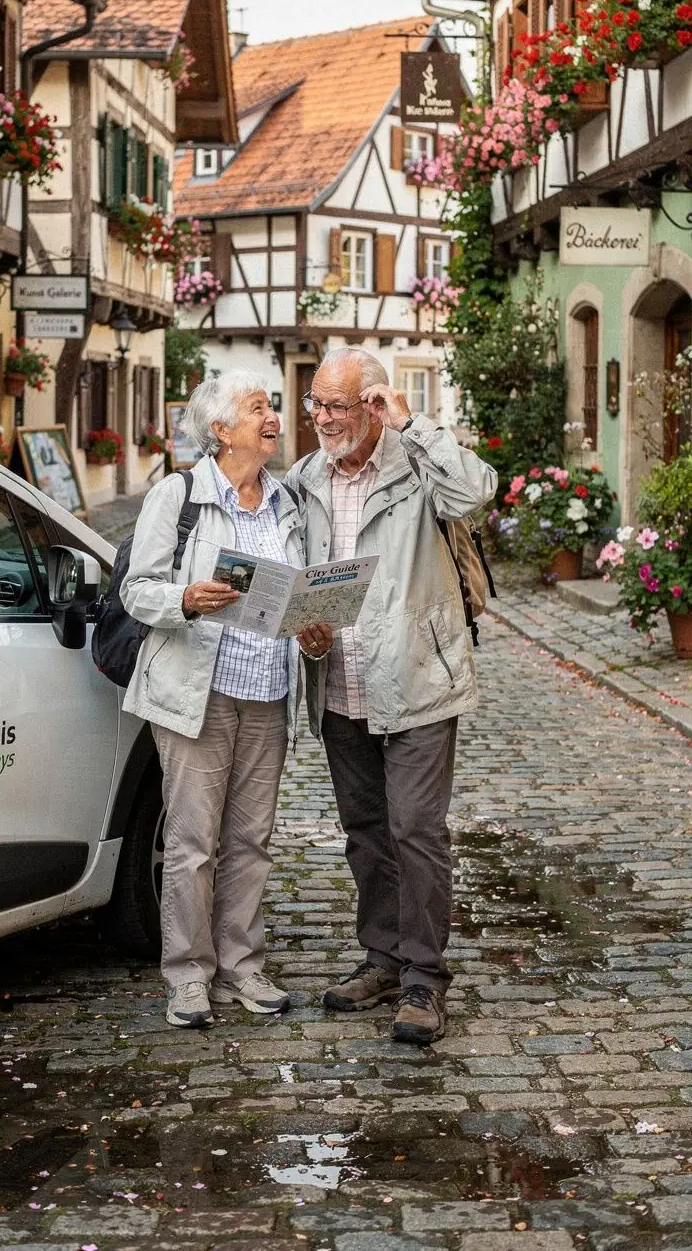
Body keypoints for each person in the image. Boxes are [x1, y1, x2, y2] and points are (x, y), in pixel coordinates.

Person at [286, 348, 497, 1046]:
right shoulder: (305, 477)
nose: (321, 419)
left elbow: (475, 493)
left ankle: (425, 979)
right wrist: (304, 630)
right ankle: (381, 958)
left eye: (337, 406)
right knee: (366, 832)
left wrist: (413, 425)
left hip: (416, 679)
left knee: (416, 830)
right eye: (316, 404)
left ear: (373, 403)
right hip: (340, 680)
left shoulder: (416, 464)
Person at [122, 370, 332, 1029]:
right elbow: (136, 588)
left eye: (272, 406)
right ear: (220, 429)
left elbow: (296, 597)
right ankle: (187, 974)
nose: (273, 416)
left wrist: (315, 633)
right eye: (257, 407)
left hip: (268, 693)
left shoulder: (288, 501)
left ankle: (243, 965)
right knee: (191, 842)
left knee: (251, 840)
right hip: (199, 695)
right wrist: (184, 599)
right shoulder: (178, 495)